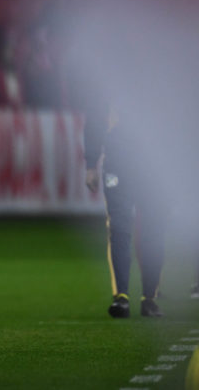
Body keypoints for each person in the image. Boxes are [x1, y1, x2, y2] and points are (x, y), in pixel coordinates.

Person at [83, 89, 167, 318]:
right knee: (119, 227)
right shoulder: (114, 74)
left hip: (154, 166)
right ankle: (121, 297)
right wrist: (91, 163)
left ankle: (149, 298)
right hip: (119, 164)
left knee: (153, 230)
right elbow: (96, 115)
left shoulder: (162, 74)